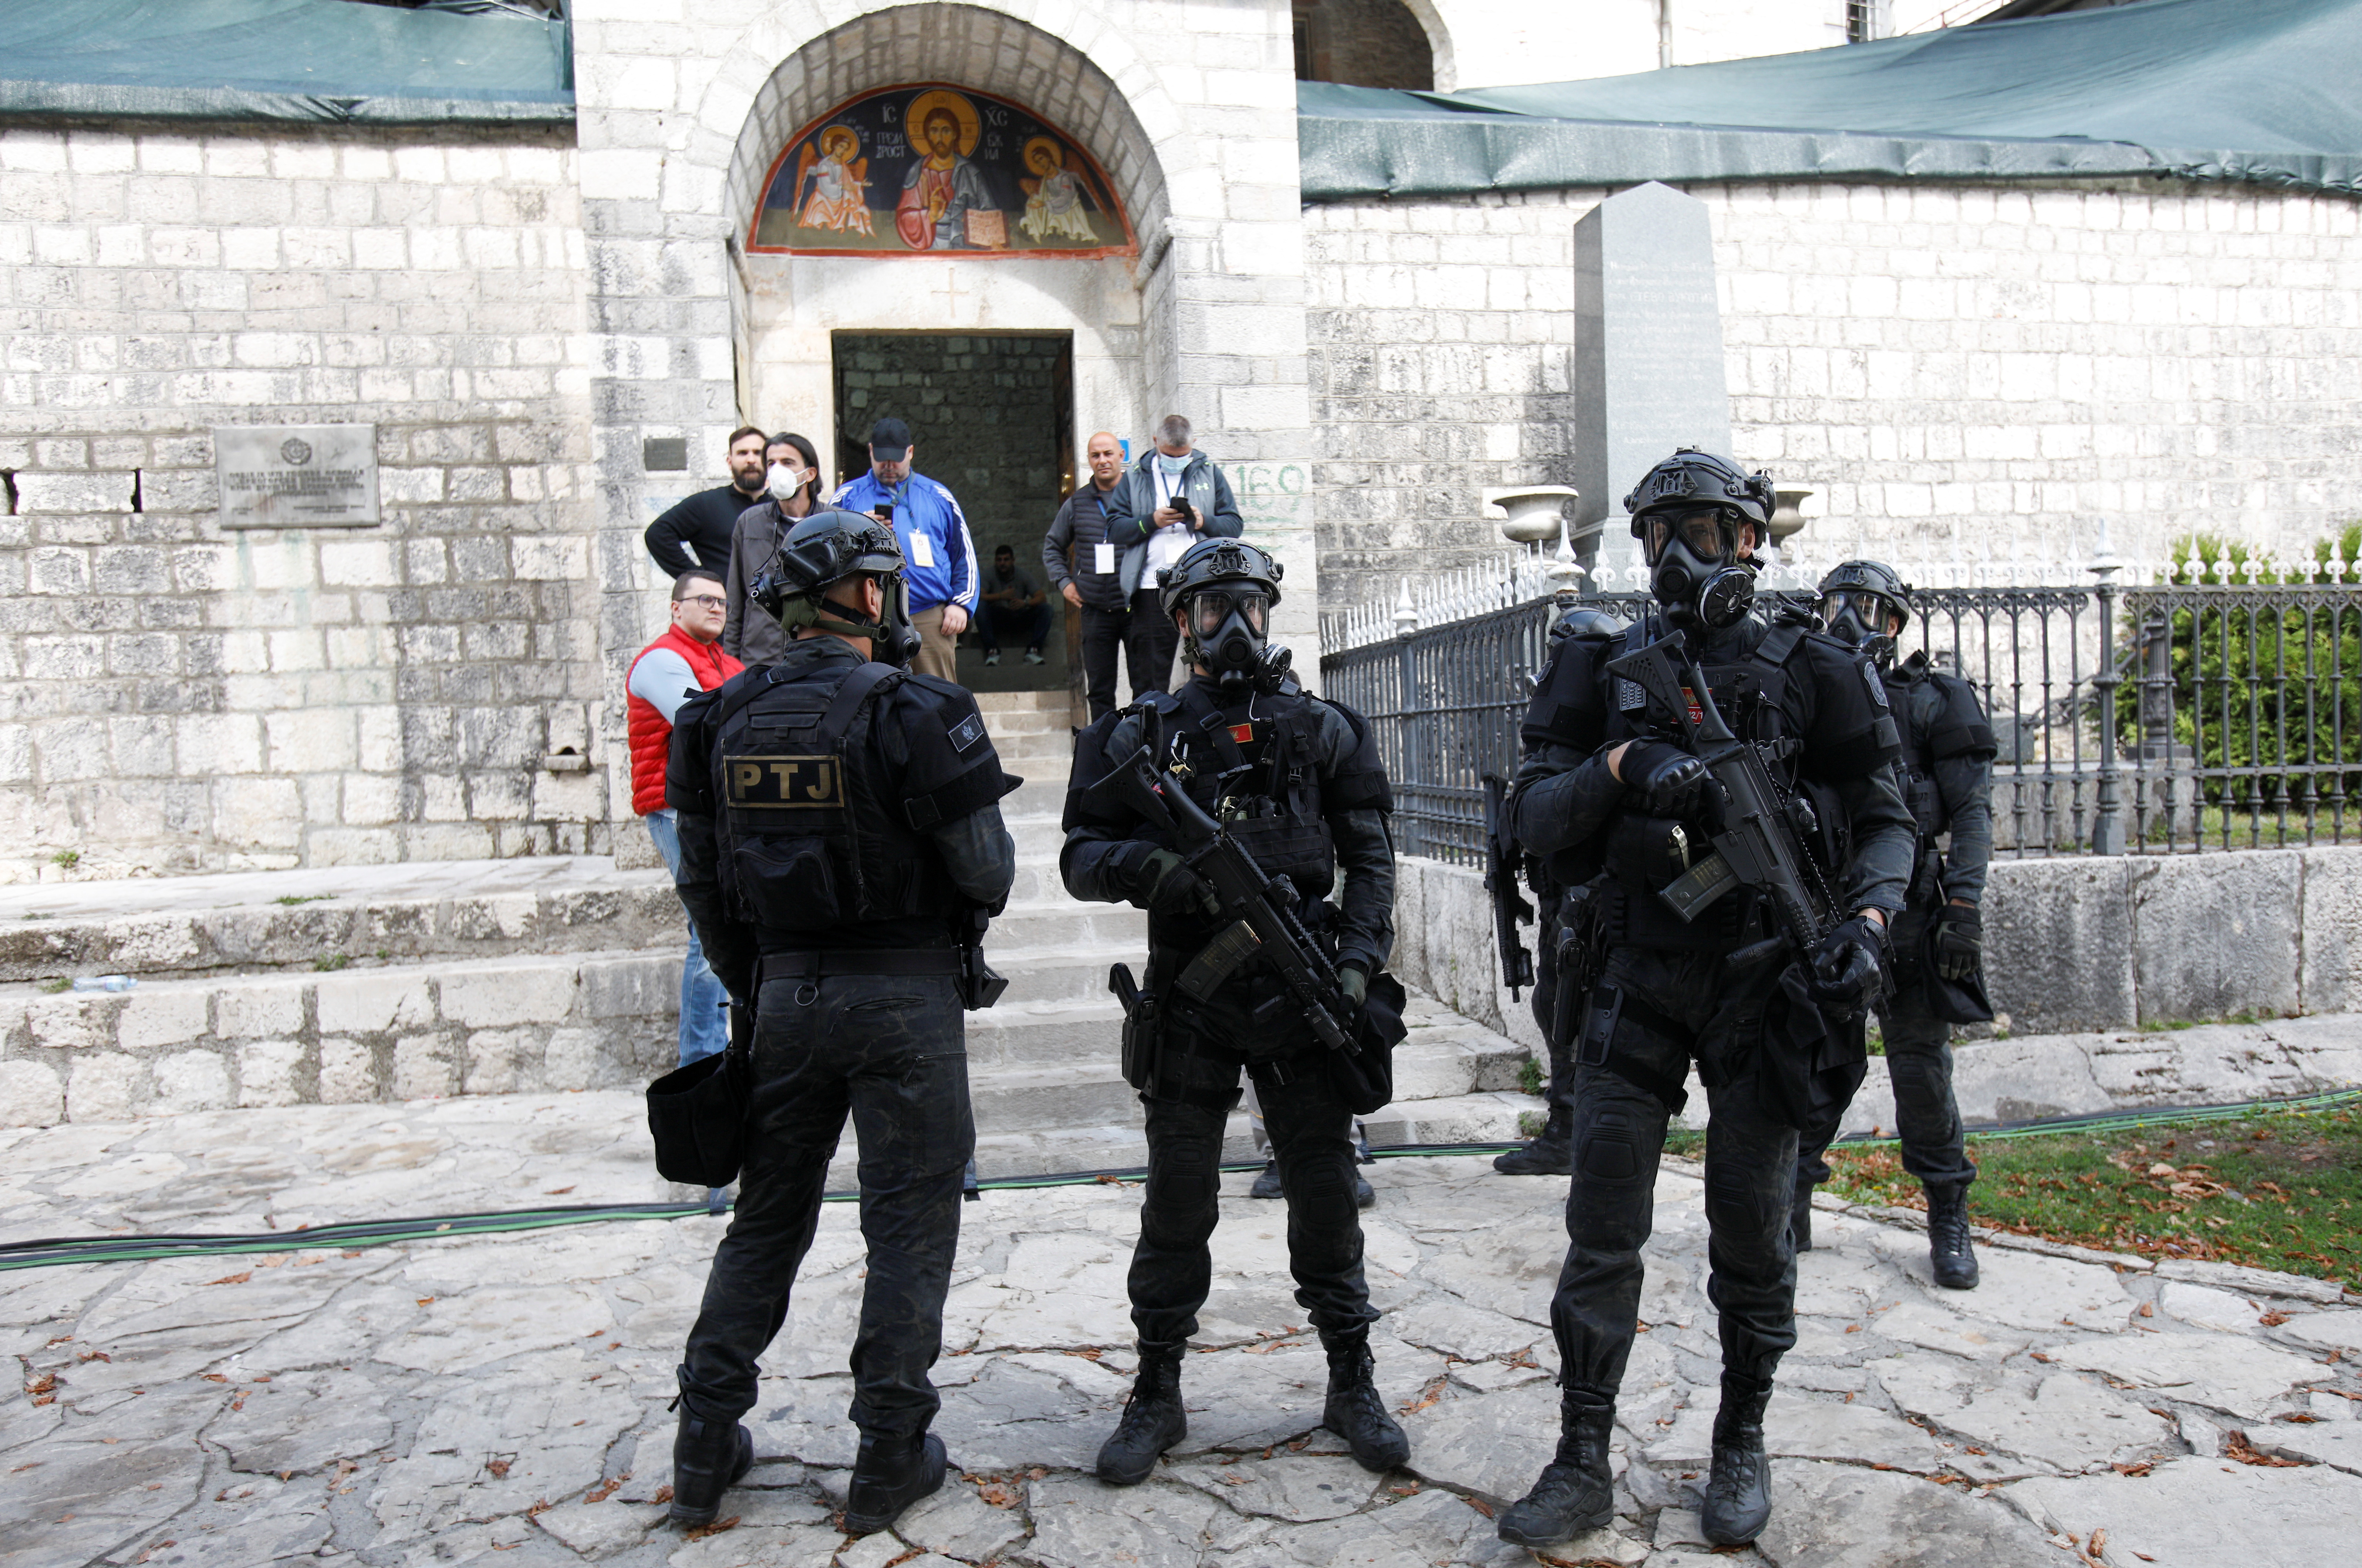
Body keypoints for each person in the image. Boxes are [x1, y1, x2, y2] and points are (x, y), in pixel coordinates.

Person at [1495, 449, 1914, 1552]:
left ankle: (1740, 1440)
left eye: (1709, 531)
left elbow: (1884, 815)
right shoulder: (1603, 668)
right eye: (1660, 534)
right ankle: (1581, 1454)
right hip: (1637, 977)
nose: (1683, 554)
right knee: (1602, 1230)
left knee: (1751, 1228)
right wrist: (1621, 772)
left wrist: (1868, 925)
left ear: (1749, 540)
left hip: (1765, 983)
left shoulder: (1814, 666)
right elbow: (1532, 816)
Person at [661, 510, 1017, 1537]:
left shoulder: (714, 716)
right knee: (907, 1221)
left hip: (781, 994)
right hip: (901, 996)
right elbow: (987, 869)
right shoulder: (921, 707)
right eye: (885, 582)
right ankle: (889, 1451)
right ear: (865, 596)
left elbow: (702, 884)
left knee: (766, 1218)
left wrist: (755, 986)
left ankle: (703, 1442)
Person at [1061, 538, 1408, 1488]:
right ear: (1180, 619)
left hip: (1300, 994)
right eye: (1212, 606)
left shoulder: (1325, 727)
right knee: (1178, 1200)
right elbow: (1080, 853)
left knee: (1326, 1193)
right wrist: (1147, 868)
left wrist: (1353, 961)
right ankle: (1157, 1387)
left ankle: (1351, 1376)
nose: (1235, 623)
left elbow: (1372, 861)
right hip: (1192, 998)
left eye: (1250, 602)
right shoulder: (1139, 736)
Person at [1793, 561, 1995, 1290]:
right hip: (1820, 909)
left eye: (1873, 609)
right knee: (1812, 1065)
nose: (1855, 622)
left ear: (1897, 622)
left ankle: (1948, 1212)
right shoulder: (1805, 692)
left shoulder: (1931, 698)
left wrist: (1963, 910)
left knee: (1918, 1069)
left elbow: (1969, 812)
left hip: (1910, 911)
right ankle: (1792, 1202)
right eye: (1841, 606)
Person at [1492, 604, 1628, 1178]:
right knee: (1557, 1009)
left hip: (1585, 901)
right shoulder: (1569, 712)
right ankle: (1568, 1126)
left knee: (1572, 1011)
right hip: (1560, 895)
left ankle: (1576, 1130)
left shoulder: (1608, 716)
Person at [626, 569, 746, 1117]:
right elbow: (700, 720)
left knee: (720, 926)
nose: (716, 608)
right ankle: (701, 1063)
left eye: (722, 601)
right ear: (676, 609)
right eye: (704, 599)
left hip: (712, 809)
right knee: (706, 932)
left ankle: (729, 1052)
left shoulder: (725, 661)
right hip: (677, 811)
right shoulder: (660, 660)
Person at [831, 417, 977, 682]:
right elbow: (826, 549)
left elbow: (964, 554)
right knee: (865, 692)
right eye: (882, 458)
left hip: (928, 615)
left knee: (938, 697)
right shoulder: (846, 497)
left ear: (910, 453)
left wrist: (961, 605)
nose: (889, 465)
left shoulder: (938, 496)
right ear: (871, 451)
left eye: (896, 458)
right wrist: (855, 526)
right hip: (866, 615)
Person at [1105, 415, 1242, 696]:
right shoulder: (1134, 477)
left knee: (1210, 662)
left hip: (1203, 584)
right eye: (1169, 456)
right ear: (1156, 442)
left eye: (1183, 456)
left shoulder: (1208, 471)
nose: (1176, 461)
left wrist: (1204, 522)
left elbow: (1234, 525)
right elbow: (1115, 529)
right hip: (1152, 589)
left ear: (1194, 444)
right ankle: (1152, 734)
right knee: (1150, 677)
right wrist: (1151, 522)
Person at [1042, 431, 1140, 719]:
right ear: (1089, 460)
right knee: (1099, 691)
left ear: (1121, 456)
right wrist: (1064, 583)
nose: (1103, 461)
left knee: (1145, 688)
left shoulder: (1139, 498)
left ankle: (1142, 750)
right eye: (1096, 456)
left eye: (1108, 454)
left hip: (1137, 607)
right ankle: (1104, 757)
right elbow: (1053, 547)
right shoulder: (1077, 503)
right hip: (1096, 610)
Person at [723, 433, 823, 663]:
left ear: (810, 473)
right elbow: (736, 600)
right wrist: (729, 663)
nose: (778, 470)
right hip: (759, 658)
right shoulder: (750, 523)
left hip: (816, 657)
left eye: (788, 463)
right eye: (771, 463)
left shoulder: (834, 522)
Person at [646, 425, 770, 580]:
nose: (751, 460)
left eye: (758, 453)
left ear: (769, 461)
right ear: (730, 461)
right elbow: (658, 534)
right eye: (742, 453)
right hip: (727, 603)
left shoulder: (781, 507)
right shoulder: (706, 505)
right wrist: (698, 580)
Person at [977, 544, 1051, 666]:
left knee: (1046, 609)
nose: (1003, 563)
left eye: (1006, 560)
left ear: (1013, 561)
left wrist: (1025, 603)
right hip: (999, 618)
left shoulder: (1023, 575)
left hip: (1019, 616)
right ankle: (993, 651)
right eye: (999, 560)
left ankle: (1033, 651)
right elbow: (977, 596)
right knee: (980, 607)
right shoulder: (989, 574)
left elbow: (1042, 597)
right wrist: (1001, 596)